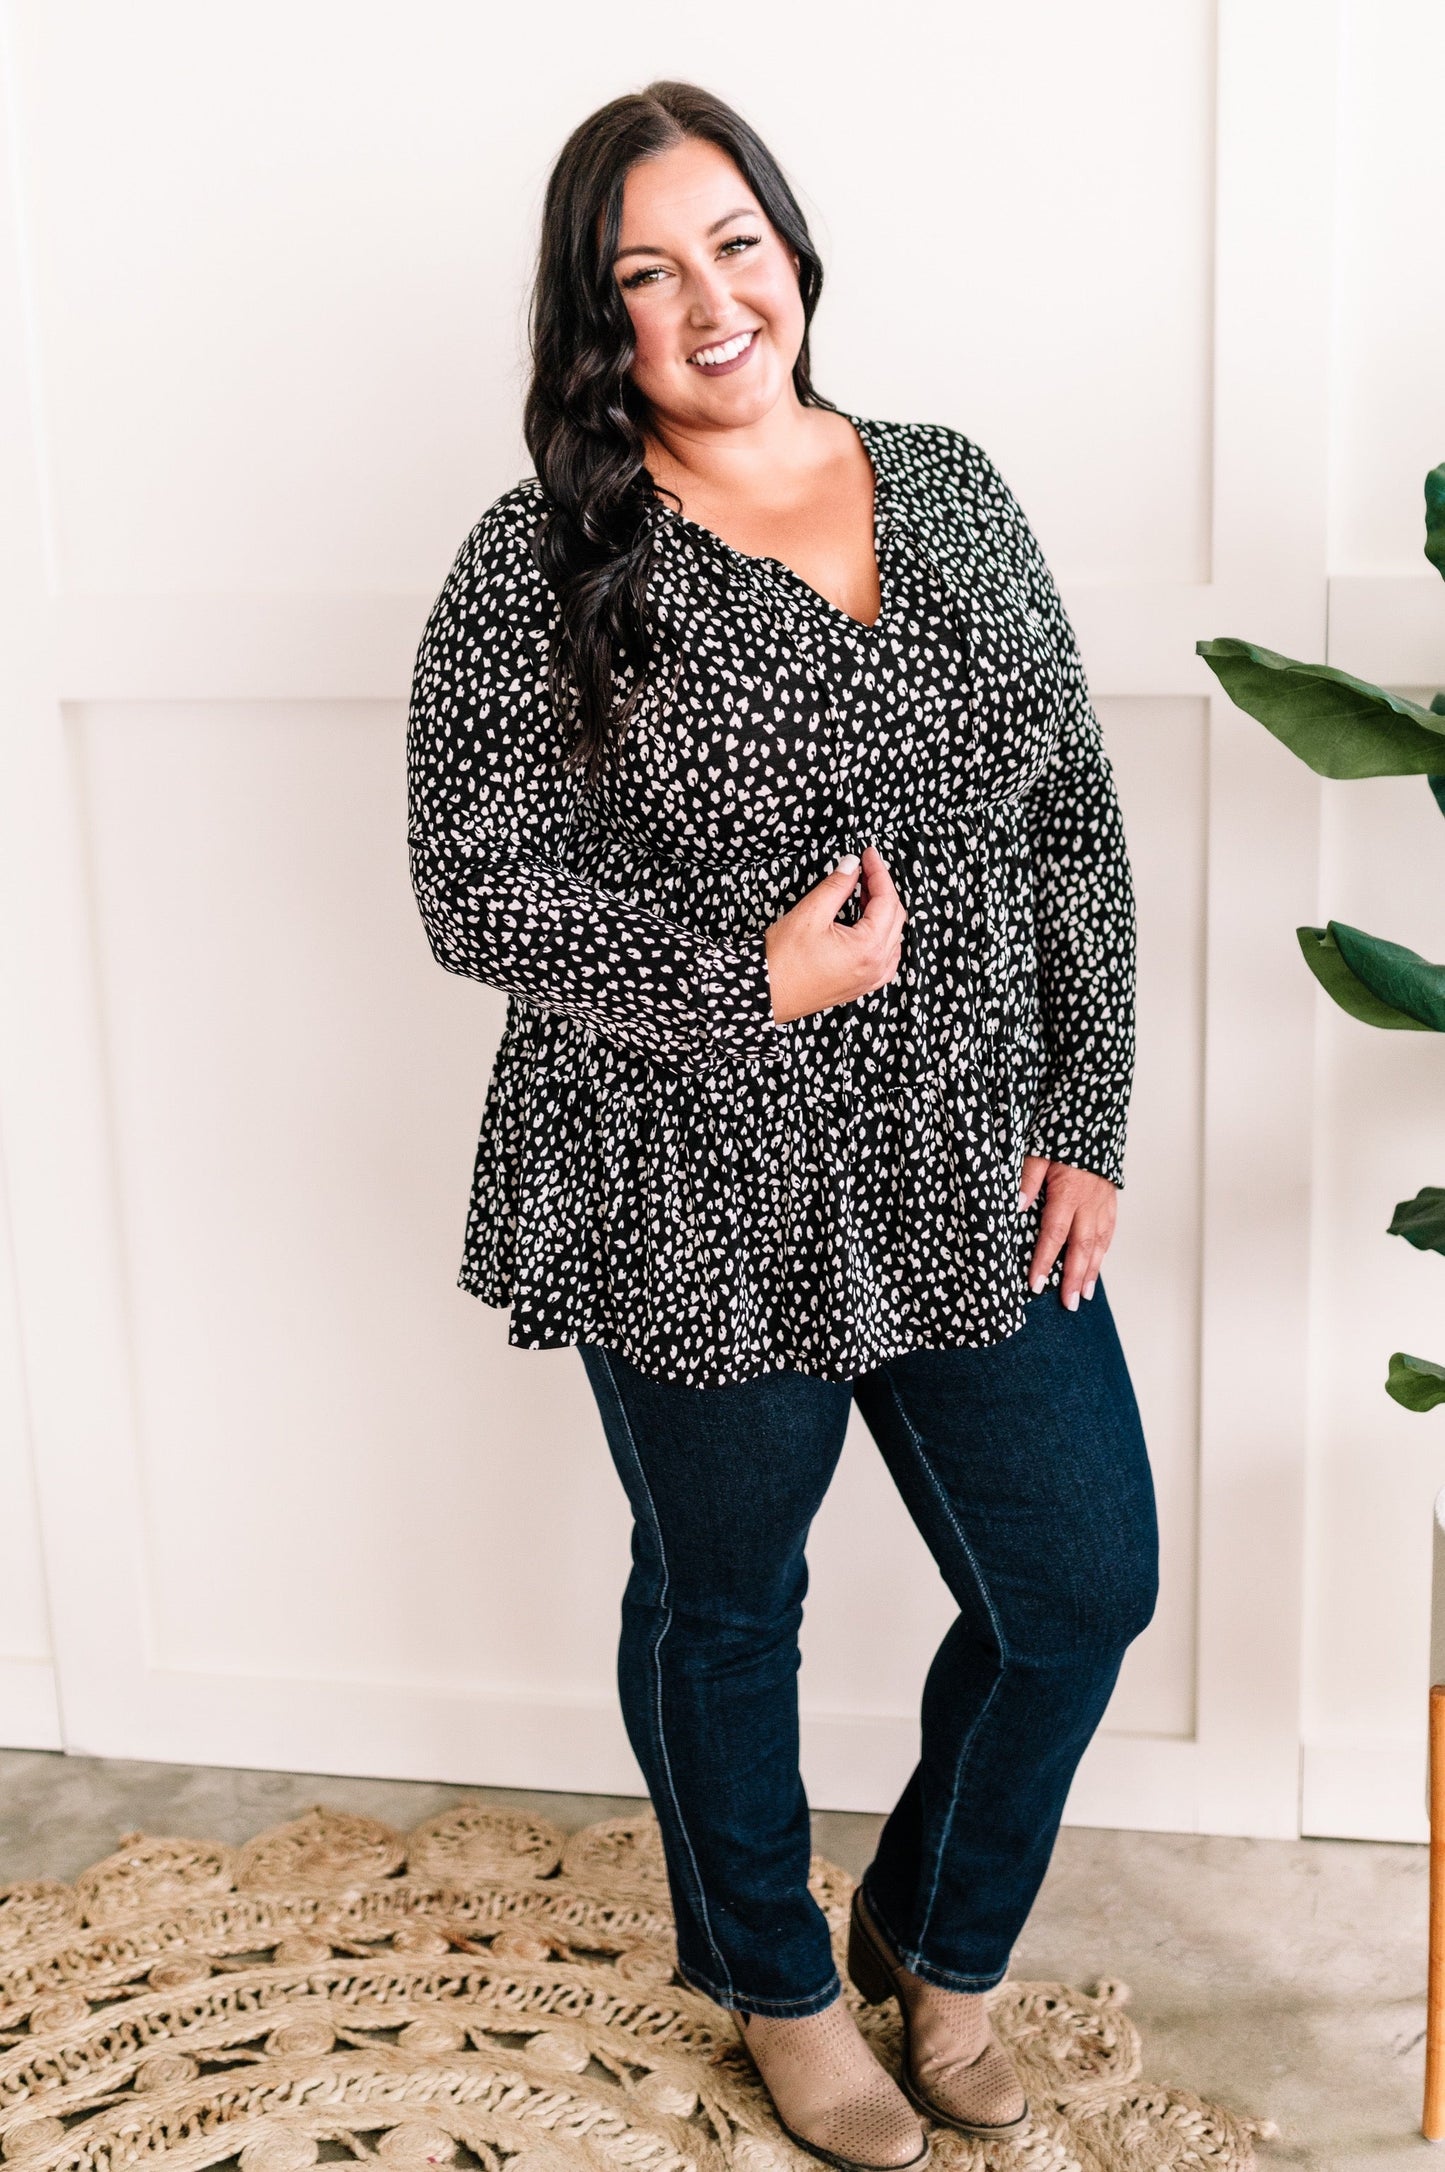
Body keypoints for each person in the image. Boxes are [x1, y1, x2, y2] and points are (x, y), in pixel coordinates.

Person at [406, 79, 1158, 2172]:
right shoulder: (548, 552)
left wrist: (1087, 1107)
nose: (708, 298)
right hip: (685, 1177)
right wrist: (747, 979)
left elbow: (1067, 812)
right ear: (597, 322)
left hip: (961, 1160)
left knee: (1082, 1583)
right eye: (645, 272)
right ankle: (776, 1980)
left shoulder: (950, 481)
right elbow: (471, 877)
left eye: (733, 241)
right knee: (729, 1601)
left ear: (795, 252)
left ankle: (939, 1937)